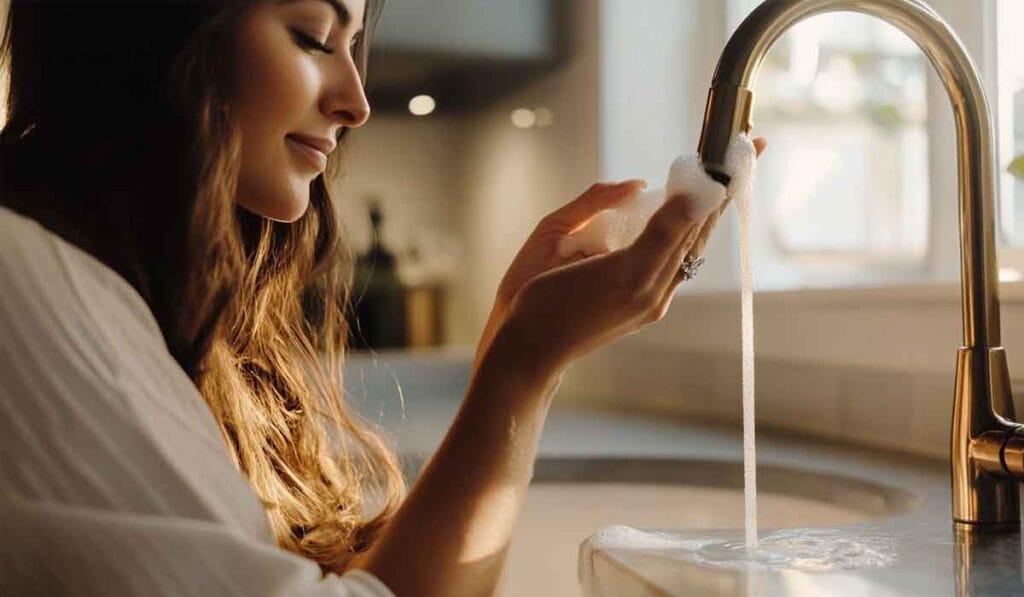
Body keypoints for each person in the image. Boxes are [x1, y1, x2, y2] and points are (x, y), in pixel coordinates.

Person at [0, 0, 765, 595]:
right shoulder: (21, 283)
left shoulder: (116, 300)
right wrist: (523, 365)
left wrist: (513, 342)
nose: (356, 100)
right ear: (155, 32)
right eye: (311, 36)